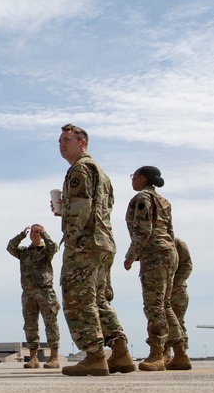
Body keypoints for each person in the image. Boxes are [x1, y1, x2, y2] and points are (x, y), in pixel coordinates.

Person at [55, 123, 133, 376]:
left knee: (78, 298)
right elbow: (102, 206)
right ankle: (120, 353)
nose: (61, 144)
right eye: (60, 141)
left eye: (67, 139)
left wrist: (72, 235)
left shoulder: (80, 168)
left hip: (85, 244)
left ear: (82, 143)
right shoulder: (100, 171)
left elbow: (81, 206)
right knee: (98, 299)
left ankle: (95, 355)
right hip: (103, 243)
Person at [122, 166, 187, 371]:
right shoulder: (164, 201)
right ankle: (180, 353)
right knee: (165, 305)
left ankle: (157, 354)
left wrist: (131, 255)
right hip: (169, 252)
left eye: (134, 177)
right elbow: (170, 230)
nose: (132, 181)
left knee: (154, 306)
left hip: (154, 255)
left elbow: (143, 229)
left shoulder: (143, 198)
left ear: (142, 178)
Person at [7, 224, 61, 369]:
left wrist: (45, 234)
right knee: (30, 326)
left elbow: (54, 247)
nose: (34, 234)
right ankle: (33, 357)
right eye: (32, 232)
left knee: (50, 324)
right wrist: (21, 235)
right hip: (28, 293)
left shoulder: (46, 250)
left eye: (37, 232)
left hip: (45, 292)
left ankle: (54, 357)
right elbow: (10, 247)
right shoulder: (25, 252)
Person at [165, 237, 193, 369]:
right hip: (161, 290)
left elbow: (187, 265)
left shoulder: (178, 243)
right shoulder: (154, 241)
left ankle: (180, 354)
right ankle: (165, 354)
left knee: (177, 322)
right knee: (161, 322)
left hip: (177, 292)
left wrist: (174, 284)